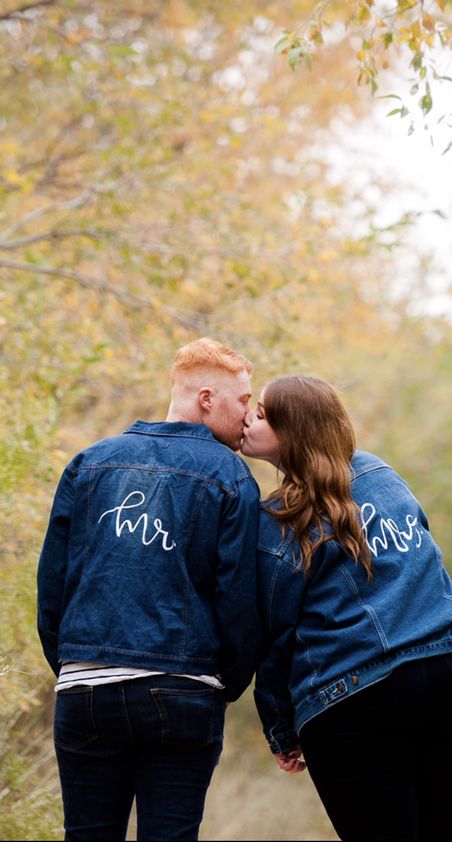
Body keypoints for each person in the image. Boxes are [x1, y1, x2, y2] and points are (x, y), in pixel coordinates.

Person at [37, 337, 261, 842]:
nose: (248, 417)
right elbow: (238, 601)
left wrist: (74, 662)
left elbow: (52, 585)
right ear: (207, 398)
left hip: (85, 688)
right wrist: (227, 682)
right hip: (182, 690)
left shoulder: (89, 462)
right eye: (243, 401)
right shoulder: (231, 476)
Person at [241, 374, 452, 842]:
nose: (247, 416)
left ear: (293, 432)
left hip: (357, 695)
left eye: (262, 413)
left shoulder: (277, 517)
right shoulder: (381, 475)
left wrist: (281, 730)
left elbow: (272, 632)